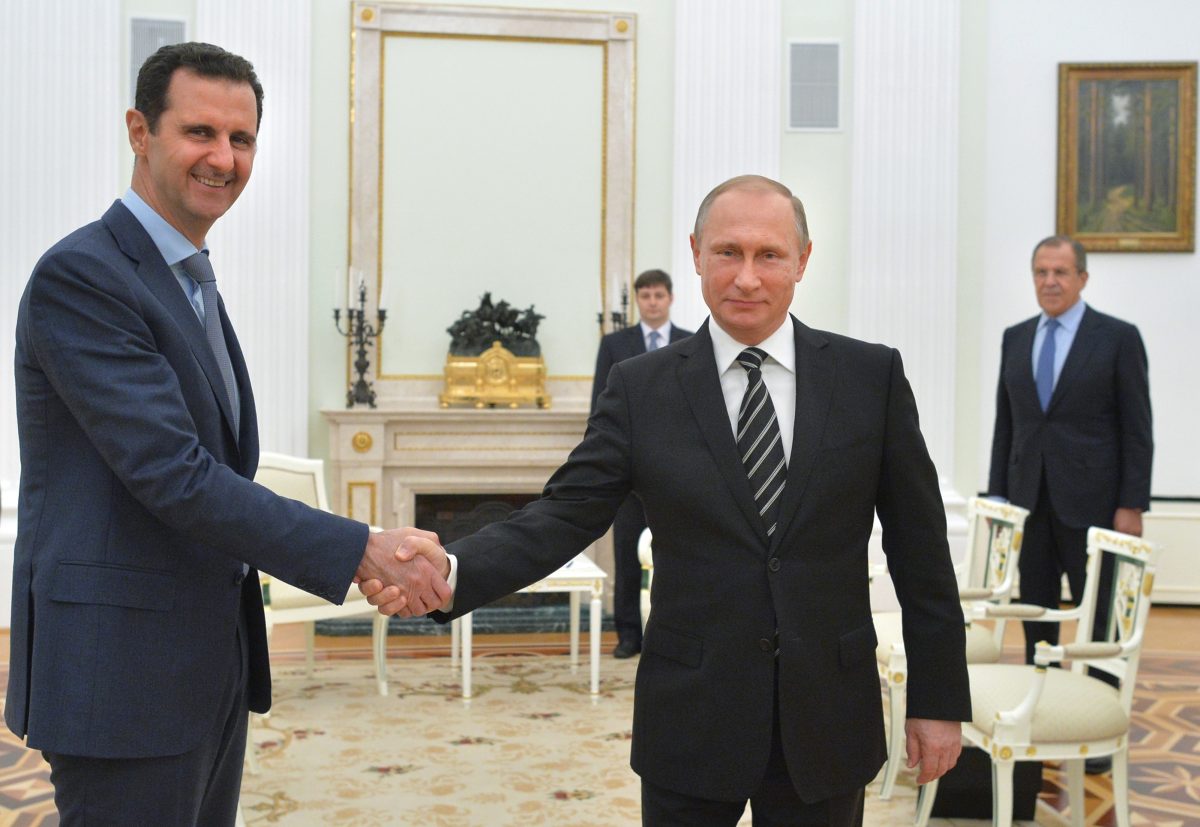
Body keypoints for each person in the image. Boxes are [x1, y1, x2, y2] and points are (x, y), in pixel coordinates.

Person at [364, 175, 970, 826]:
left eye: (768, 254)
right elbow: (564, 514)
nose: (746, 276)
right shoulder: (640, 387)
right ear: (696, 254)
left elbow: (921, 549)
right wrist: (453, 570)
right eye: (727, 252)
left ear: (802, 260)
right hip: (691, 715)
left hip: (827, 714)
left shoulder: (870, 378)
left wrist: (937, 699)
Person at [7, 42, 450, 825]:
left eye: (241, 139)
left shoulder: (186, 279)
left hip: (202, 665)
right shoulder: (84, 276)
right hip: (121, 674)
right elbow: (175, 473)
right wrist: (360, 548)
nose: (223, 158)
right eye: (200, 132)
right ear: (140, 131)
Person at [987, 235, 1152, 769]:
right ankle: (1045, 714)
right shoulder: (1016, 338)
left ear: (1082, 278)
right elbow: (1007, 426)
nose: (1050, 281)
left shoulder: (1117, 338)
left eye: (1060, 272)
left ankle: (1096, 723)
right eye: (1041, 271)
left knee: (1100, 618)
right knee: (1036, 613)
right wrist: (1000, 500)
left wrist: (1132, 504)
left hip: (1096, 508)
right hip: (1029, 504)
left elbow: (1137, 429)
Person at [590, 269, 693, 658]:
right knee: (626, 556)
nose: (652, 302)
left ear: (670, 298)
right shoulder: (615, 344)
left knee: (679, 557)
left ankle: (674, 634)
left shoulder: (692, 342)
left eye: (658, 295)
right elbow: (601, 404)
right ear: (638, 300)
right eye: (645, 295)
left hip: (680, 471)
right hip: (629, 472)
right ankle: (629, 635)